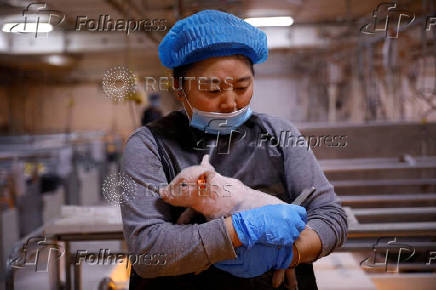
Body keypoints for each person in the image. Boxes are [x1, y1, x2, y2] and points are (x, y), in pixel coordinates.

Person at [120, 9, 348, 290]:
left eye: (242, 86)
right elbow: (148, 250)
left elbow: (331, 216)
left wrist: (291, 253)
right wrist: (240, 229)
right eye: (212, 91)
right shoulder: (149, 145)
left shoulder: (279, 134)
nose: (231, 102)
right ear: (180, 90)